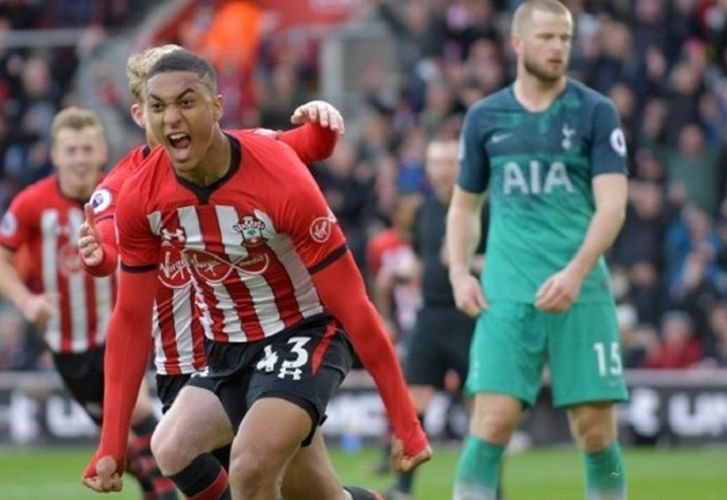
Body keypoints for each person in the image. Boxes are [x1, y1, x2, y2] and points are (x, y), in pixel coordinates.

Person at [82, 50, 431, 499]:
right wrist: (112, 444)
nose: (172, 118)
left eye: (186, 102)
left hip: (302, 334)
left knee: (249, 468)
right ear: (141, 114)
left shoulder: (277, 174)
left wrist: (405, 422)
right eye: (158, 107)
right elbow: (129, 319)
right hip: (225, 350)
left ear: (217, 107)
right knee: (175, 447)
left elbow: (355, 307)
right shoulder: (138, 195)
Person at [446, 2, 629, 499]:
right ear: (518, 43)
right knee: (492, 421)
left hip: (582, 288)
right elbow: (464, 208)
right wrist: (461, 273)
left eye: (565, 39)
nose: (558, 48)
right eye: (547, 37)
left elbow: (612, 206)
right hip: (507, 291)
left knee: (593, 429)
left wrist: (575, 272)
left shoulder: (595, 111)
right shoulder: (485, 117)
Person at [0, 107, 178, 499]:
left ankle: (197, 481)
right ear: (56, 155)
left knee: (140, 417)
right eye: (71, 150)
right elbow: (3, 258)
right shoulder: (31, 204)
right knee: (127, 456)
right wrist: (26, 302)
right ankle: (165, 484)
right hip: (67, 349)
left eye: (86, 149)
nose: (79, 158)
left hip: (118, 332)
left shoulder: (119, 194)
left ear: (101, 152)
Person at [387, 138, 486, 500]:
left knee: (480, 407)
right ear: (428, 168)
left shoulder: (480, 208)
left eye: (448, 162)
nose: (442, 169)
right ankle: (403, 488)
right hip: (430, 314)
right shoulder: (424, 211)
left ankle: (488, 487)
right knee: (412, 404)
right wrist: (399, 273)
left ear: (459, 166)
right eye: (436, 163)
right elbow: (420, 259)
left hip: (468, 314)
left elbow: (500, 262)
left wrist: (466, 262)